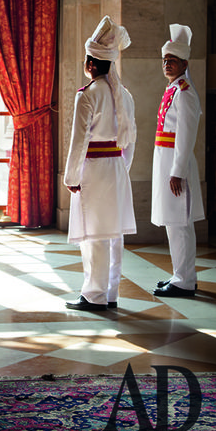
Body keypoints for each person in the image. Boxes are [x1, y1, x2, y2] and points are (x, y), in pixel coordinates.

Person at [64, 16, 136, 312]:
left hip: (93, 170)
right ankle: (111, 292)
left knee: (93, 234)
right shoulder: (125, 95)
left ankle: (93, 295)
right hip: (116, 169)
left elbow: (78, 141)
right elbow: (131, 140)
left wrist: (71, 176)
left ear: (92, 64)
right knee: (113, 233)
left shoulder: (88, 95)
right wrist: (122, 169)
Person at [152, 24, 205, 298]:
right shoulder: (172, 89)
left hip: (176, 165)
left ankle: (185, 280)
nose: (167, 65)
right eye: (164, 60)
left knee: (180, 224)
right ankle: (180, 274)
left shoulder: (185, 93)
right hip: (166, 162)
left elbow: (185, 136)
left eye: (172, 60)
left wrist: (177, 172)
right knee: (173, 223)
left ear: (185, 63)